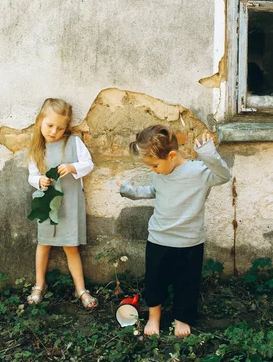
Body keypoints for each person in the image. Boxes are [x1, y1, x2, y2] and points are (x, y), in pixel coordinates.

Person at [117, 125, 231, 337]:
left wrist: (208, 153)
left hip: (189, 243)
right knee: (154, 281)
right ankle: (154, 316)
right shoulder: (160, 172)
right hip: (159, 239)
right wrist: (129, 191)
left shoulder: (199, 172)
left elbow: (224, 176)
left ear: (171, 155)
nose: (153, 170)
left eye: (154, 165)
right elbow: (153, 190)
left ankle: (182, 318)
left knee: (186, 283)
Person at [26, 98, 97, 309]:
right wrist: (40, 181)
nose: (54, 131)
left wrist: (73, 167)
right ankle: (39, 284)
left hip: (70, 202)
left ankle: (81, 288)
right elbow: (32, 175)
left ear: (66, 128)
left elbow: (88, 164)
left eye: (60, 127)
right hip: (48, 204)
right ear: (40, 121)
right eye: (50, 125)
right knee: (44, 243)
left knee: (71, 246)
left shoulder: (74, 142)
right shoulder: (37, 149)